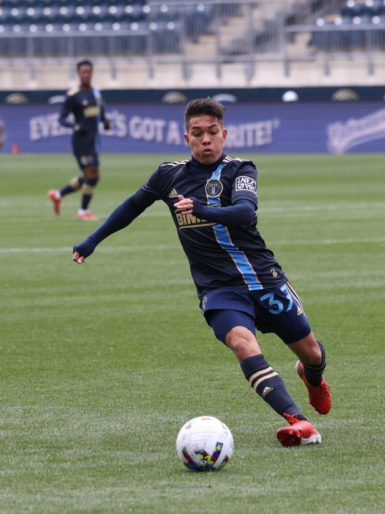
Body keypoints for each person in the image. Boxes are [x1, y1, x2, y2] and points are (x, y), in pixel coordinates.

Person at [71, 98, 332, 447]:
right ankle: (299, 423)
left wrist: (202, 208)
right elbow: (132, 206)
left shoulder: (241, 169)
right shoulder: (169, 175)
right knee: (243, 343)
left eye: (212, 132)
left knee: (312, 354)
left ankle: (312, 377)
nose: (206, 140)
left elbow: (244, 214)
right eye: (198, 134)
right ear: (187, 138)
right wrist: (92, 240)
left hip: (262, 278)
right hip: (219, 289)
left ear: (224, 134)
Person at [48, 59, 111, 221]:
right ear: (78, 74)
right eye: (83, 72)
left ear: (92, 73)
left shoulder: (96, 94)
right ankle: (83, 211)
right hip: (81, 142)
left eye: (88, 72)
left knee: (90, 176)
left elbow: (101, 113)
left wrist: (105, 121)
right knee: (93, 175)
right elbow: (61, 119)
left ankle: (58, 194)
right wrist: (73, 125)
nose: (86, 75)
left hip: (94, 141)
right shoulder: (73, 95)